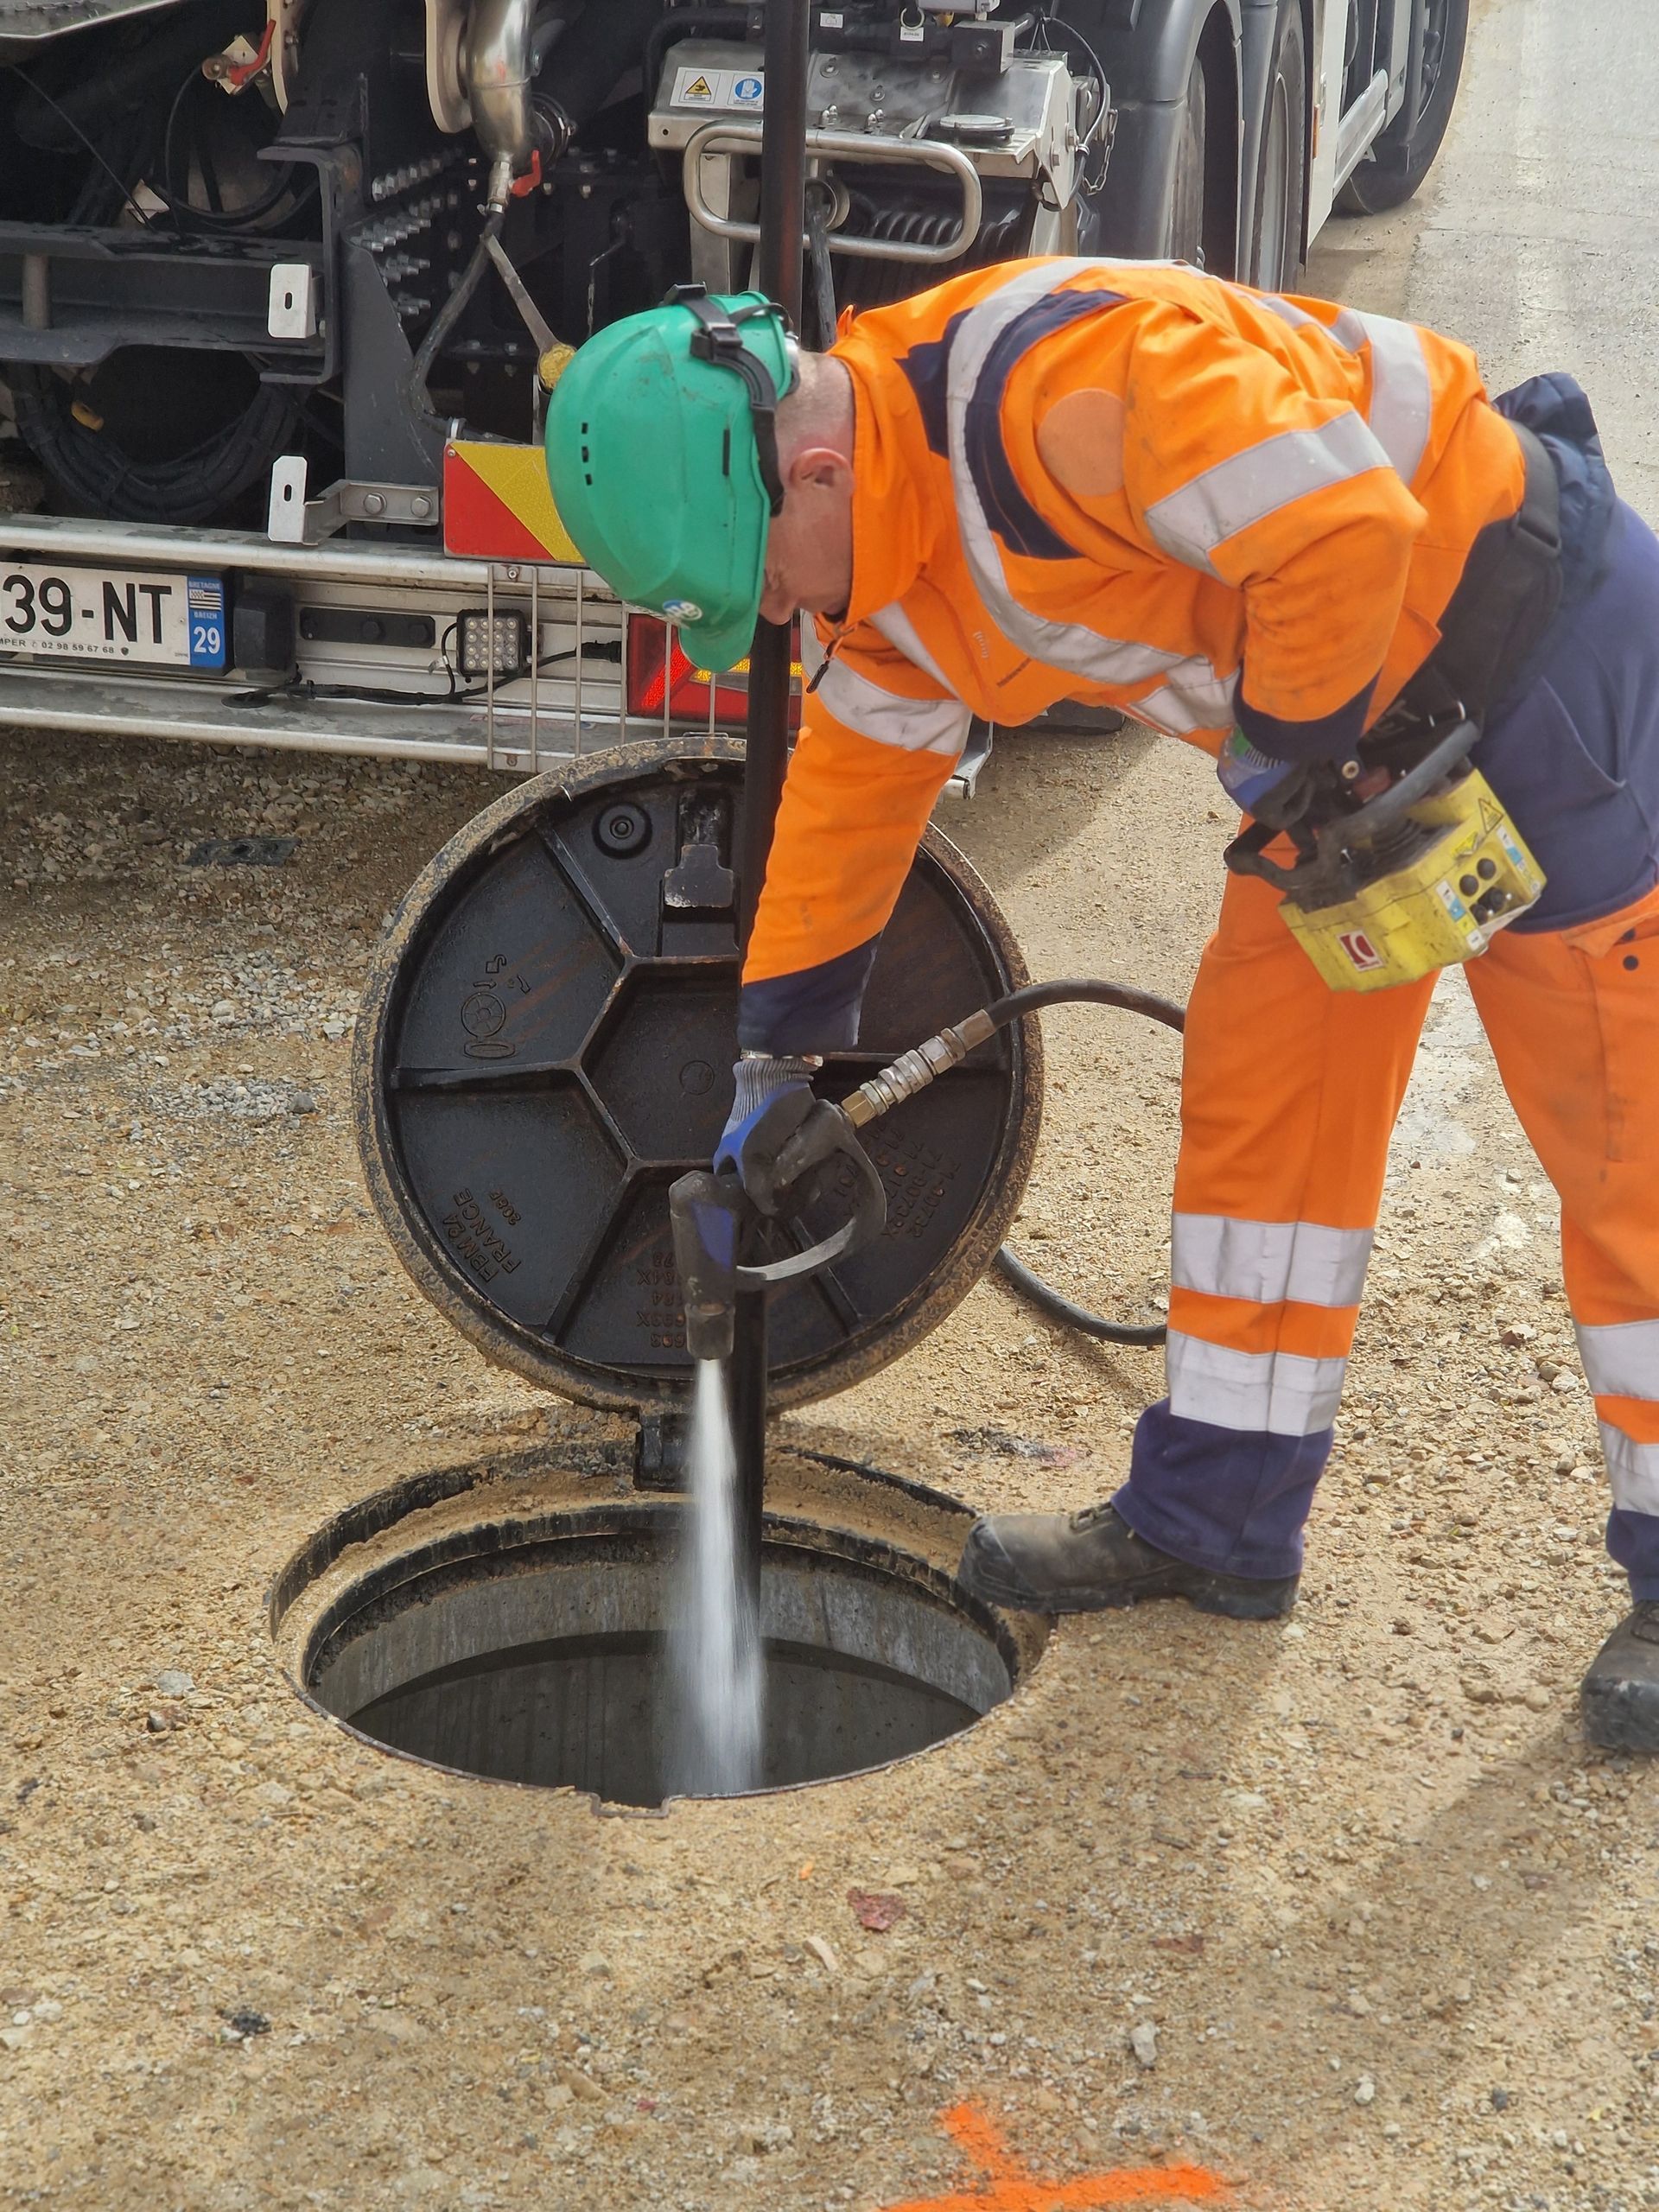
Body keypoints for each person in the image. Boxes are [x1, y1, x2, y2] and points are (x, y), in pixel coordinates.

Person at [545, 259, 1659, 1753]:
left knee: (1626, 1146)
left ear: (815, 470)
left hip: (1532, 655)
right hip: (1347, 761)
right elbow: (853, 793)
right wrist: (776, 1049)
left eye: (772, 583)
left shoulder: (1062, 390)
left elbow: (1345, 527)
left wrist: (1290, 748)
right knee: (1266, 1119)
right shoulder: (882, 574)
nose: (782, 620)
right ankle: (1217, 1516)